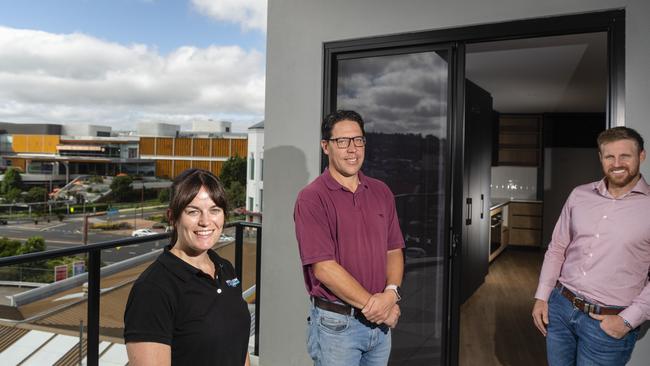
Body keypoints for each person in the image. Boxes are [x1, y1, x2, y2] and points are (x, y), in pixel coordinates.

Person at [294, 110, 405, 366]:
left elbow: (394, 249)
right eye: (342, 141)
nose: (352, 149)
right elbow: (323, 268)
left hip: (379, 326)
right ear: (326, 146)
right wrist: (379, 309)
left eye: (358, 140)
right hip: (337, 327)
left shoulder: (381, 192)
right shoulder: (312, 198)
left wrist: (391, 294)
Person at [532, 126, 649, 365]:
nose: (617, 163)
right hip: (561, 308)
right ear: (601, 158)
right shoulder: (579, 195)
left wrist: (627, 320)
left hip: (606, 322)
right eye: (609, 156)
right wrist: (542, 297)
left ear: (641, 156)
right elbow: (557, 248)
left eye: (625, 156)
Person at [124, 168, 251, 366]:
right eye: (193, 211)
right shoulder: (153, 289)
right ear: (172, 217)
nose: (205, 221)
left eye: (214, 210)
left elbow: (238, 347)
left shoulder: (225, 268)